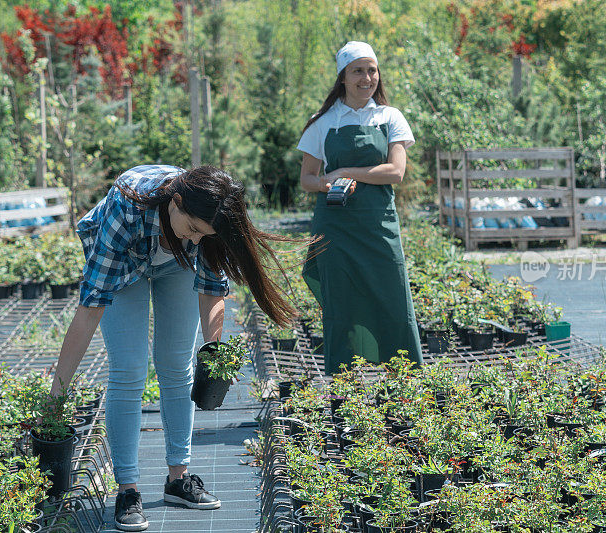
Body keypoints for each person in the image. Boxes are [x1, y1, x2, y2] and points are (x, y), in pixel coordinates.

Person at [49, 164, 296, 531]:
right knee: (128, 369)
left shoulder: (208, 220)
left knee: (177, 364)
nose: (196, 240)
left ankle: (178, 479)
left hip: (174, 268)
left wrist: (213, 355)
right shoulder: (126, 208)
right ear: (175, 202)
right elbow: (90, 309)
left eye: (204, 235)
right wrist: (57, 393)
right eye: (193, 229)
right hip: (125, 261)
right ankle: (127, 490)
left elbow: (213, 291)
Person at [297, 41, 422, 375]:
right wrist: (327, 183)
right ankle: (343, 386)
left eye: (372, 70)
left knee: (393, 301)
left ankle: (401, 381)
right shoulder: (322, 121)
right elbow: (307, 179)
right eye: (358, 71)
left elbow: (395, 172)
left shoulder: (390, 116)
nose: (367, 78)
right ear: (343, 77)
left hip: (378, 225)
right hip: (335, 229)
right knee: (341, 306)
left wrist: (343, 172)